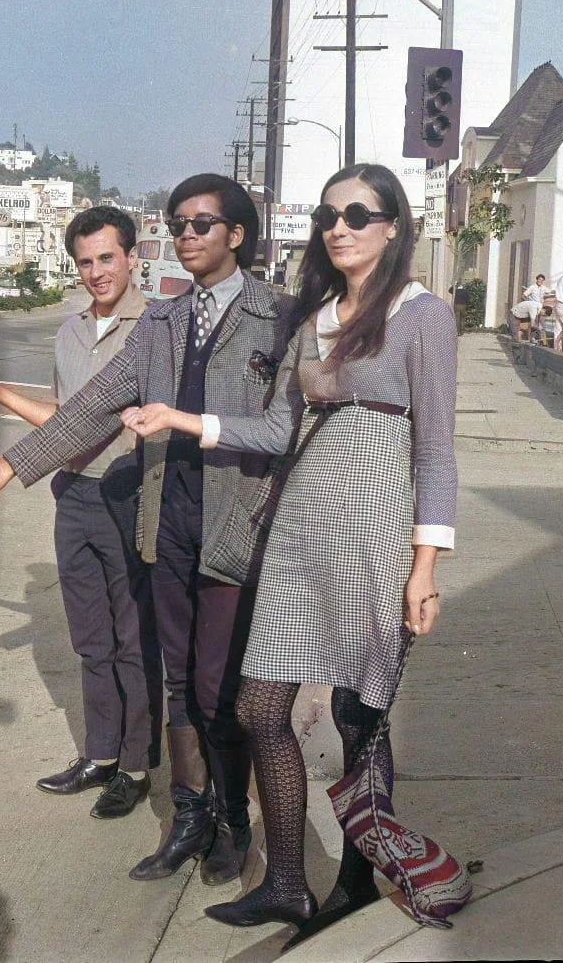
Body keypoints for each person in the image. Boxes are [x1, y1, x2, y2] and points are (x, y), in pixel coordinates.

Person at [121, 163, 457, 949]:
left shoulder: (422, 315)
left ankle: (354, 881)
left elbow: (436, 452)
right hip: (301, 525)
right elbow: (275, 431)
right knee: (259, 707)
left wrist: (425, 567)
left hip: (376, 522)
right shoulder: (311, 318)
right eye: (328, 215)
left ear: (393, 226)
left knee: (356, 715)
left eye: (359, 213)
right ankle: (285, 882)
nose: (340, 226)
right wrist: (183, 418)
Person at [0, 173, 297, 886]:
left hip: (237, 522)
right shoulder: (162, 325)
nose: (186, 234)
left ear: (237, 235)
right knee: (178, 681)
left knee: (220, 686)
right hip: (167, 520)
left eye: (202, 224)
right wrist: (12, 466)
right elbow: (90, 411)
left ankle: (234, 823)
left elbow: (285, 429)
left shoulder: (278, 316)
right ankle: (189, 818)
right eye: (177, 222)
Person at [0, 206, 161, 820]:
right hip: (73, 495)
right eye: (85, 261)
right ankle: (100, 754)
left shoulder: (155, 328)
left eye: (107, 257)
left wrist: (11, 466)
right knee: (90, 637)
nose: (97, 272)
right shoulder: (70, 331)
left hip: (126, 493)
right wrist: (4, 395)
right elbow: (66, 417)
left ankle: (135, 764)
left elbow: (99, 420)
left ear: (133, 255)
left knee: (133, 639)